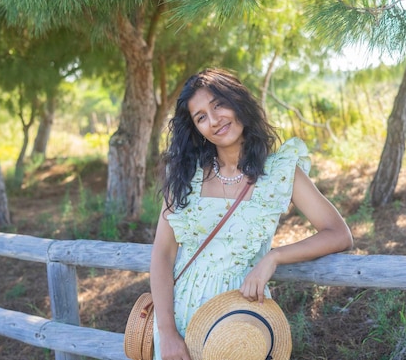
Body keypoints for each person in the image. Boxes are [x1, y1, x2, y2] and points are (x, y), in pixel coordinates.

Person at [149, 68, 353, 360]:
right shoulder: (185, 177)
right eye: (201, 117)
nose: (215, 120)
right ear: (196, 130)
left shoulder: (280, 172)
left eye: (218, 104)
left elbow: (339, 234)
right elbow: (162, 255)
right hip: (178, 321)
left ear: (237, 102)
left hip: (240, 321)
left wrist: (274, 257)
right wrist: (167, 333)